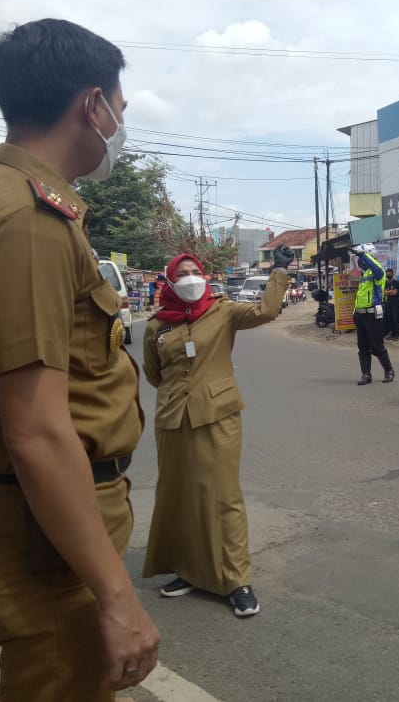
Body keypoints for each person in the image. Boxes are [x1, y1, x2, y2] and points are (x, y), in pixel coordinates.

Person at [0, 18, 158, 700]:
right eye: (119, 107)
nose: (120, 123)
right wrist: (118, 598)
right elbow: (35, 429)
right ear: (91, 105)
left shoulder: (10, 201)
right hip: (46, 540)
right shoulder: (26, 220)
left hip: (51, 528)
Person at [142, 248, 291, 618]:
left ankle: (236, 579)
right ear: (170, 281)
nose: (191, 278)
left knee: (223, 496)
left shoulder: (223, 311)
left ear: (205, 276)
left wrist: (280, 272)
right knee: (180, 496)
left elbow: (266, 311)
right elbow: (153, 372)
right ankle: (188, 571)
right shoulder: (157, 324)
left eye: (196, 271)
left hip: (217, 416)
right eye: (183, 273)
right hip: (173, 418)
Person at [351, 243, 394, 385]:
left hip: (372, 314)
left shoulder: (378, 272)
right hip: (361, 314)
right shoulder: (365, 274)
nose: (360, 261)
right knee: (362, 346)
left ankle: (389, 370)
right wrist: (355, 312)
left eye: (362, 258)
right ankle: (366, 374)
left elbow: (377, 270)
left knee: (376, 345)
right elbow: (360, 295)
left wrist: (363, 254)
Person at [384, 268, 399, 340]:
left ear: (392, 273)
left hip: (395, 303)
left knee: (395, 319)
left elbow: (395, 292)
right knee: (389, 319)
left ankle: (397, 335)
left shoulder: (397, 282)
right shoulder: (386, 283)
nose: (388, 274)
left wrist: (388, 292)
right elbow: (384, 292)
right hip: (388, 303)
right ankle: (392, 333)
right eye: (387, 273)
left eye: (389, 273)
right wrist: (390, 292)